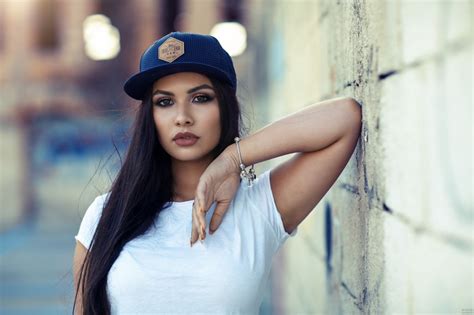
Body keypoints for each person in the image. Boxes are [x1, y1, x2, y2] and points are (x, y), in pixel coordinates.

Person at [72, 31, 362, 315]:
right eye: (165, 102)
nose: (182, 116)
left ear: (225, 106)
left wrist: (232, 158)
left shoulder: (259, 208)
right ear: (151, 116)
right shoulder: (106, 214)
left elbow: (345, 118)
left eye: (200, 98)